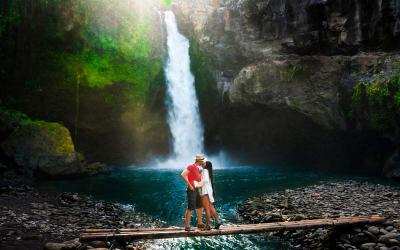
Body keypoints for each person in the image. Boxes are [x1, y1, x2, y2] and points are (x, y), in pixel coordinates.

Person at [194, 159, 221, 230]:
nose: (203, 164)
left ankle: (208, 225)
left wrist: (197, 185)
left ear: (207, 165)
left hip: (205, 192)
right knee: (211, 207)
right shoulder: (208, 171)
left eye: (204, 164)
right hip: (209, 191)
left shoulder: (205, 171)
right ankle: (217, 222)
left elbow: (205, 181)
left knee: (207, 209)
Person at [181, 154, 205, 231]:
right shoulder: (191, 166)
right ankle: (187, 226)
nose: (203, 161)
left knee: (200, 206)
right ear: (199, 160)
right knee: (190, 207)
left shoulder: (198, 168)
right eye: (202, 160)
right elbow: (183, 174)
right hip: (191, 189)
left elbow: (197, 178)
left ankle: (200, 223)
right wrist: (189, 185)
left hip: (197, 188)